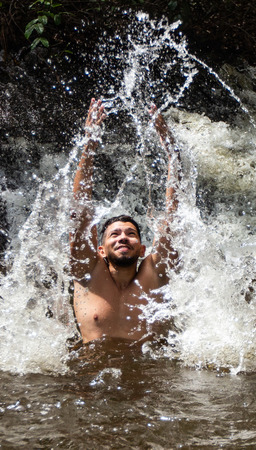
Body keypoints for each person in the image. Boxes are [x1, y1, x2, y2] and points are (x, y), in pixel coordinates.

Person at [69, 98, 179, 344]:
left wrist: (172, 153)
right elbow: (80, 214)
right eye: (114, 234)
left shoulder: (154, 274)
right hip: (94, 375)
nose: (122, 237)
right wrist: (89, 147)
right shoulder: (88, 273)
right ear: (101, 249)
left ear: (141, 249)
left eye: (130, 234)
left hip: (149, 375)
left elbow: (173, 219)